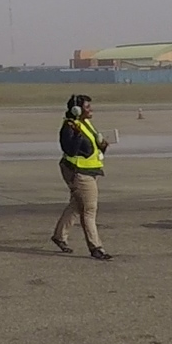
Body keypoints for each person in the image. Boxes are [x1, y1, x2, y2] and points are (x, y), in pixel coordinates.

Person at [51, 93, 113, 260]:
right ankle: (96, 247)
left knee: (77, 205)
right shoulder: (69, 127)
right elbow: (70, 149)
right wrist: (77, 135)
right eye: (87, 107)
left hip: (90, 171)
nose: (91, 109)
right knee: (89, 210)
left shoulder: (86, 124)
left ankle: (59, 236)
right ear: (77, 110)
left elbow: (91, 149)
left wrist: (102, 145)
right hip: (79, 172)